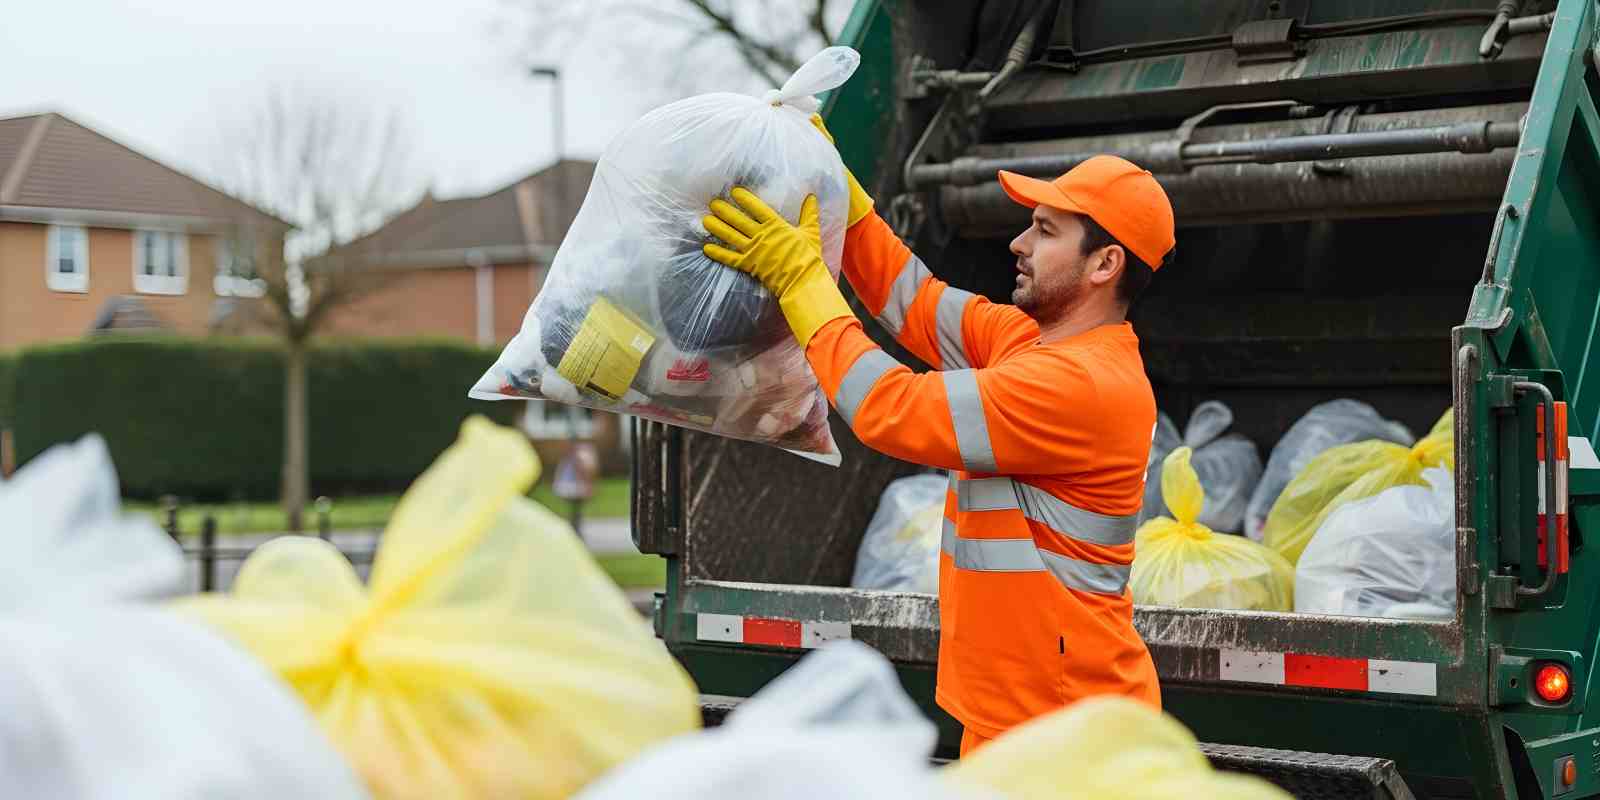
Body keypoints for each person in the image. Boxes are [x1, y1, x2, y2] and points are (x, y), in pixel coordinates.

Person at [700, 118, 1176, 756]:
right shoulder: (1028, 342)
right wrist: (838, 183)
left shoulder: (1081, 385)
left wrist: (800, 282)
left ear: (1105, 264)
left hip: (1064, 734)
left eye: (1044, 230)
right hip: (1022, 714)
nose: (1018, 242)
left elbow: (886, 406)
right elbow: (912, 300)